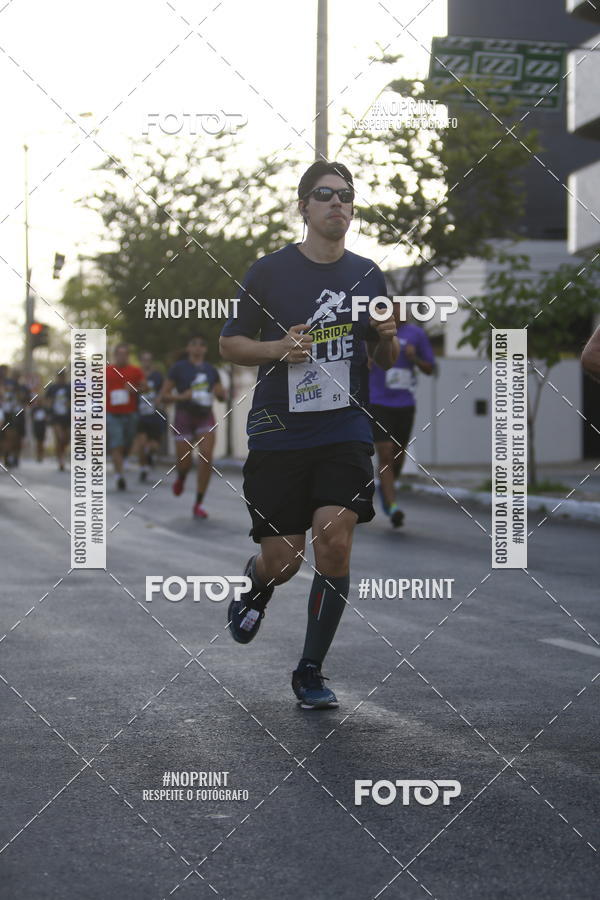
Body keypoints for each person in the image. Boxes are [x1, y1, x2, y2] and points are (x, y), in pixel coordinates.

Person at [219, 160, 399, 710]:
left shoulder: (370, 274)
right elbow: (231, 344)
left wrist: (388, 338)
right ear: (303, 206)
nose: (337, 204)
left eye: (346, 196)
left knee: (335, 538)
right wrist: (278, 349)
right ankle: (256, 583)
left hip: (344, 426)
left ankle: (310, 669)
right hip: (278, 430)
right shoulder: (270, 271)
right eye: (324, 195)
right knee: (286, 559)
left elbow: (382, 357)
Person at [369, 308, 435, 528]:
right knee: (385, 453)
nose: (402, 311)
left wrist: (413, 357)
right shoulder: (375, 331)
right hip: (378, 401)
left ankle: (385, 488)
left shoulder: (417, 334)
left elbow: (430, 368)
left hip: (405, 404)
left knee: (397, 456)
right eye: (396, 307)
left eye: (405, 307)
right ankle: (393, 505)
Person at [159, 335, 225, 518]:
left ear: (205, 349)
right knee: (184, 463)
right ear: (188, 348)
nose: (197, 348)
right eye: (193, 344)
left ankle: (199, 503)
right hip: (184, 417)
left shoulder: (212, 370)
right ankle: (181, 477)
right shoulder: (178, 368)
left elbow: (221, 395)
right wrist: (181, 397)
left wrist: (221, 393)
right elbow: (163, 395)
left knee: (206, 457)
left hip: (205, 416)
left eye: (201, 345)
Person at [106, 343, 144, 491]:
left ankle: (124, 458)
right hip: (112, 413)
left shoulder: (135, 371)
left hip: (130, 413)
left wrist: (134, 389)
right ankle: (119, 475)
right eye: (119, 354)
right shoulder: (107, 371)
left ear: (128, 356)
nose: (122, 357)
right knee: (117, 443)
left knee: (127, 442)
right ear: (115, 355)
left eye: (125, 354)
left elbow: (145, 387)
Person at [134, 351, 165, 482]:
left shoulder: (157, 376)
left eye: (149, 360)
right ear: (141, 361)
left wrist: (161, 399)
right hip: (140, 414)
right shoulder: (136, 376)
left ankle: (149, 455)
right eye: (144, 360)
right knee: (141, 443)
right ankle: (143, 469)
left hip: (155, 414)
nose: (146, 362)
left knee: (154, 446)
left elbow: (164, 390)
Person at [46, 370, 71, 471]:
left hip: (67, 416)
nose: (61, 378)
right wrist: (48, 411)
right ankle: (60, 460)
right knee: (59, 438)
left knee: (66, 439)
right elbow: (47, 400)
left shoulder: (69, 388)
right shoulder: (52, 388)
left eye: (63, 376)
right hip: (55, 416)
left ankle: (61, 454)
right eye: (59, 376)